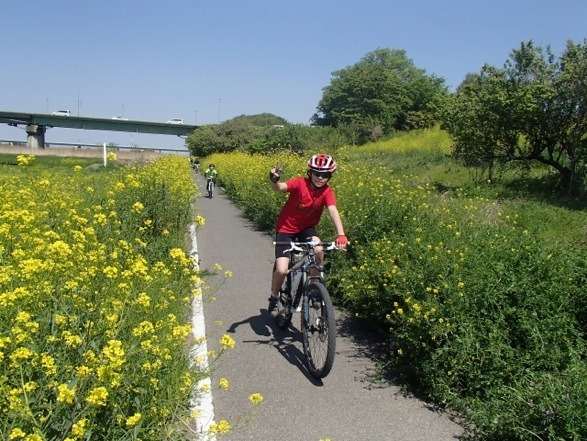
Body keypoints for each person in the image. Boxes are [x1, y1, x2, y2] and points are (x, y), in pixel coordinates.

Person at [267, 153, 348, 316]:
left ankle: (314, 286)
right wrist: (273, 179)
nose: (320, 177)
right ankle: (274, 297)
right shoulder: (299, 183)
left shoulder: (327, 191)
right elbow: (278, 188)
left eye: (324, 174)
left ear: (329, 176)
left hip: (306, 229)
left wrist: (341, 234)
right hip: (286, 230)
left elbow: (332, 210)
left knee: (318, 250)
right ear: (309, 172)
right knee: (282, 269)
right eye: (316, 173)